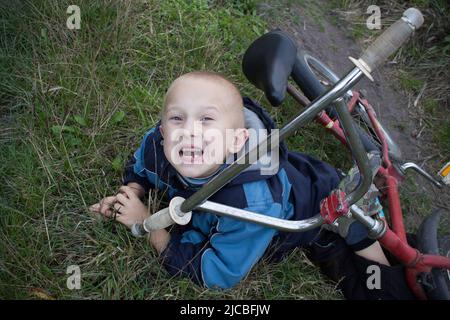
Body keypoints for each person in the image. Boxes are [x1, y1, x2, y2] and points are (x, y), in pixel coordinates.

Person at [89, 71, 415, 299]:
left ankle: (379, 237)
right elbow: (140, 168)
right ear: (162, 129)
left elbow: (215, 274)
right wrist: (131, 192)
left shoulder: (251, 205)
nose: (189, 131)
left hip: (321, 198)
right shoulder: (159, 145)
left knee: (371, 269)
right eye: (177, 118)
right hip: (291, 173)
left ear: (237, 140)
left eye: (207, 119)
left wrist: (149, 226)